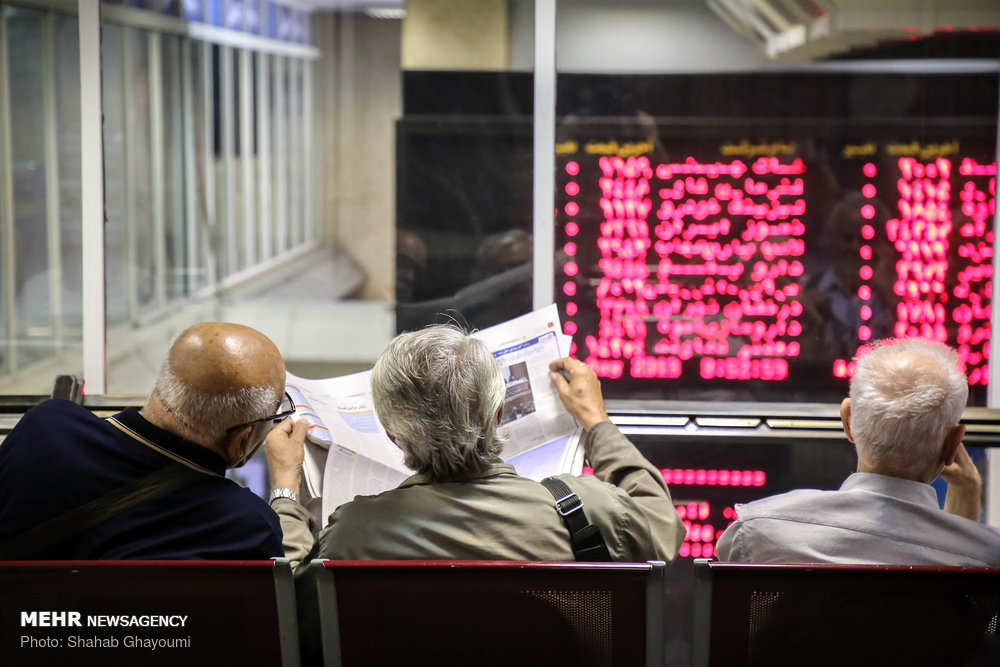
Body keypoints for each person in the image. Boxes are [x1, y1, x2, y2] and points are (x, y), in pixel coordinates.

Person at [267, 325, 685, 564]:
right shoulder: (584, 512)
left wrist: (286, 489)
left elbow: (292, 599)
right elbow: (664, 527)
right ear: (498, 414)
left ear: (392, 436)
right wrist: (595, 422)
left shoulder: (353, 534)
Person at [0, 322, 292, 559]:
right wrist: (285, 487)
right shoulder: (244, 526)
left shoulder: (46, 427)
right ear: (240, 441)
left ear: (163, 382)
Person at [717, 337, 1000, 565]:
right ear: (953, 444)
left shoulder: (757, 532)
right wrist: (968, 492)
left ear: (848, 421)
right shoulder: (987, 556)